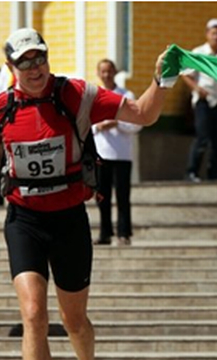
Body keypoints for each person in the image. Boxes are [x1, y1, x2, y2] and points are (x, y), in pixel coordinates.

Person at [0, 28, 172, 360]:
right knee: (33, 314)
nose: (34, 67)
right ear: (11, 67)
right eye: (24, 61)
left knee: (74, 320)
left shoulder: (76, 95)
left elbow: (144, 114)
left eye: (39, 57)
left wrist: (160, 80)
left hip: (68, 219)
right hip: (23, 219)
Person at [92, 59, 142, 246]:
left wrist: (117, 123)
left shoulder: (126, 95)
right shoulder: (94, 96)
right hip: (101, 152)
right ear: (98, 73)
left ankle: (124, 232)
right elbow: (86, 125)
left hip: (121, 153)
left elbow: (137, 123)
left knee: (123, 195)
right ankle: (105, 232)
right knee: (102, 195)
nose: (106, 75)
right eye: (103, 71)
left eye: (109, 71)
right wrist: (99, 126)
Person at [181, 18, 217, 182]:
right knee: (202, 137)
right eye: (213, 33)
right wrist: (196, 88)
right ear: (207, 34)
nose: (216, 36)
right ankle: (191, 172)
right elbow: (186, 74)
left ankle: (214, 174)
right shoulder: (199, 52)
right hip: (203, 101)